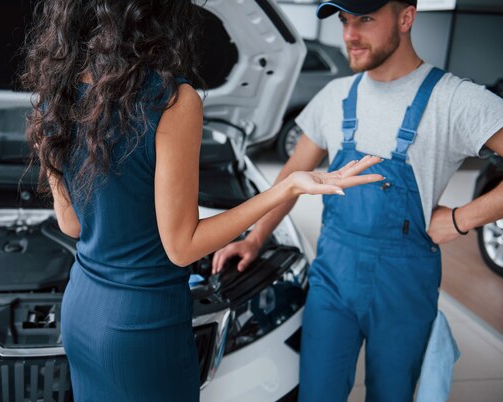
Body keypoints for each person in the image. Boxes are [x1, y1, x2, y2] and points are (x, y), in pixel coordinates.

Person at [20, 1, 383, 401]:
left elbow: (71, 224)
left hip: (82, 309)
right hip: (141, 324)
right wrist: (285, 188)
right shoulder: (171, 100)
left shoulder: (57, 92)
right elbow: (182, 247)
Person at [213, 1, 503, 401]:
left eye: (365, 18)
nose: (349, 34)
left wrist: (459, 219)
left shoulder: (453, 99)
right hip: (333, 280)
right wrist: (256, 236)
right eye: (345, 20)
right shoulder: (334, 96)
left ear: (406, 17)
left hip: (403, 287)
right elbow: (290, 179)